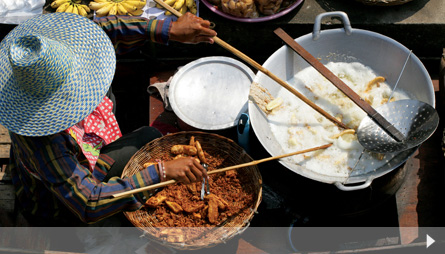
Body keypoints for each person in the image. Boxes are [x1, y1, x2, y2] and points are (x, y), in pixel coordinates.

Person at [0, 11, 217, 227]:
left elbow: (105, 29)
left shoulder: (57, 50)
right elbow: (89, 203)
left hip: (84, 150)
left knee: (148, 136)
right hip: (60, 204)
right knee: (148, 139)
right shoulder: (43, 141)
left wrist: (166, 29)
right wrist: (161, 172)